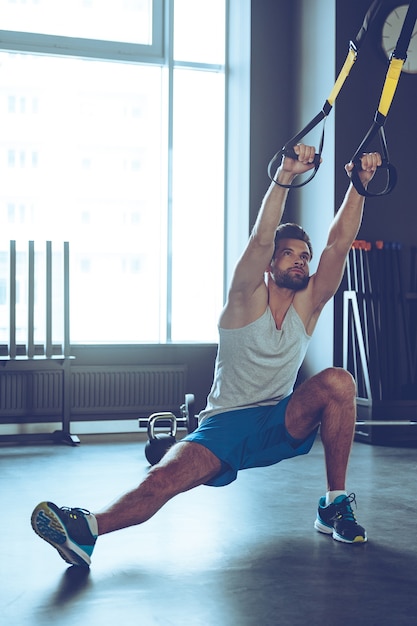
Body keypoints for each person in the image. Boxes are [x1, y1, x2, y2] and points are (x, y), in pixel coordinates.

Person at [31, 144, 382, 567]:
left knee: (338, 382)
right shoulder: (243, 300)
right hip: (223, 426)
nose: (299, 260)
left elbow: (339, 244)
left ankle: (334, 504)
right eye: (288, 252)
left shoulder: (307, 307)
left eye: (304, 256)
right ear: (271, 263)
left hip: (280, 419)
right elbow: (259, 239)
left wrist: (359, 185)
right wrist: (286, 174)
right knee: (164, 477)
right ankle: (88, 530)